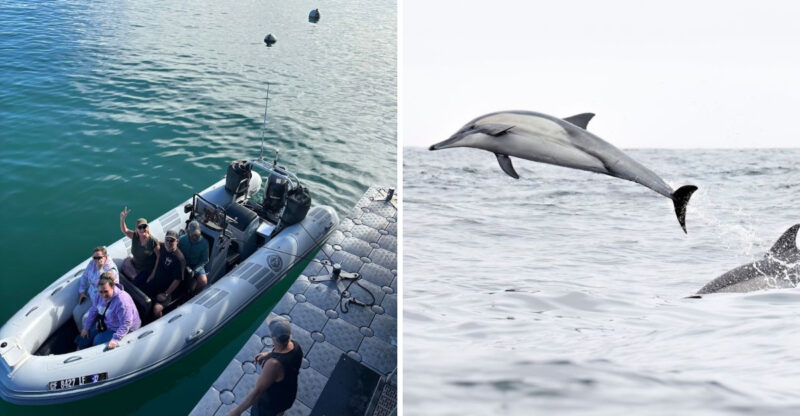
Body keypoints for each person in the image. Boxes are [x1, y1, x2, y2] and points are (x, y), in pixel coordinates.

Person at [228, 317, 303, 416]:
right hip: (288, 396)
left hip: (270, 404)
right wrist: (269, 354)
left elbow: (257, 392)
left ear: (272, 336)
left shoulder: (273, 365)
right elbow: (283, 353)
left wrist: (237, 411)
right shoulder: (295, 346)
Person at [76, 274, 141, 350]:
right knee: (86, 334)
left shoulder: (122, 301)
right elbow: (93, 310)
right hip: (109, 321)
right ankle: (78, 349)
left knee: (97, 340)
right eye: (101, 292)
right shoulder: (98, 295)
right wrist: (86, 328)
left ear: (112, 287)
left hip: (124, 328)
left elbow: (126, 323)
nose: (103, 295)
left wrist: (115, 339)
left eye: (106, 291)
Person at [143, 229, 186, 319]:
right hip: (155, 282)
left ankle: (158, 321)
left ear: (177, 242)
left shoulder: (179, 259)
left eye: (172, 240)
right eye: (167, 239)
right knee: (141, 294)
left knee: (157, 308)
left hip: (167, 290)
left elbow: (177, 280)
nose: (169, 242)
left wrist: (166, 294)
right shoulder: (162, 247)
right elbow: (153, 242)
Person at [72, 246, 119, 328]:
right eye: (95, 257)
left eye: (99, 257)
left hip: (104, 300)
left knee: (85, 318)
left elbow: (101, 283)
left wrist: (99, 269)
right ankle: (82, 333)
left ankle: (88, 334)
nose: (97, 260)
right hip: (92, 295)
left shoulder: (111, 270)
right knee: (76, 312)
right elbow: (85, 276)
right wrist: (82, 291)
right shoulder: (92, 263)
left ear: (105, 257)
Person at [120, 207, 160, 285]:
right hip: (135, 265)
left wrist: (153, 273)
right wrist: (122, 219)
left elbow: (159, 257)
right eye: (140, 227)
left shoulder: (153, 241)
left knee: (135, 284)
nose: (142, 229)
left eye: (144, 227)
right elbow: (125, 230)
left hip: (146, 270)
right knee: (123, 271)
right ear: (136, 229)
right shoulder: (135, 236)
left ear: (147, 227)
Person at [178, 220, 209, 294]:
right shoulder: (182, 239)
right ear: (188, 233)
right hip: (183, 263)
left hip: (196, 266)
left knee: (204, 281)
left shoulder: (204, 244)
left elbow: (204, 260)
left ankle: (194, 292)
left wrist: (195, 271)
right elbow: (177, 252)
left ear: (200, 231)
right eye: (192, 234)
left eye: (196, 234)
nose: (195, 236)